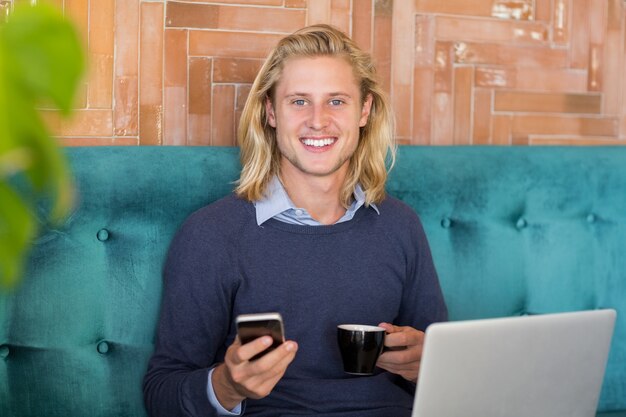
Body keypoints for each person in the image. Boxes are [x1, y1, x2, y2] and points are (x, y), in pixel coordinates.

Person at [143, 24, 447, 417]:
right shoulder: (211, 235)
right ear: (270, 112)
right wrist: (227, 386)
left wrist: (427, 366)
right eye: (299, 101)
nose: (317, 121)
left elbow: (441, 373)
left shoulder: (399, 225)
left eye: (336, 101)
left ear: (365, 111)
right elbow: (162, 393)